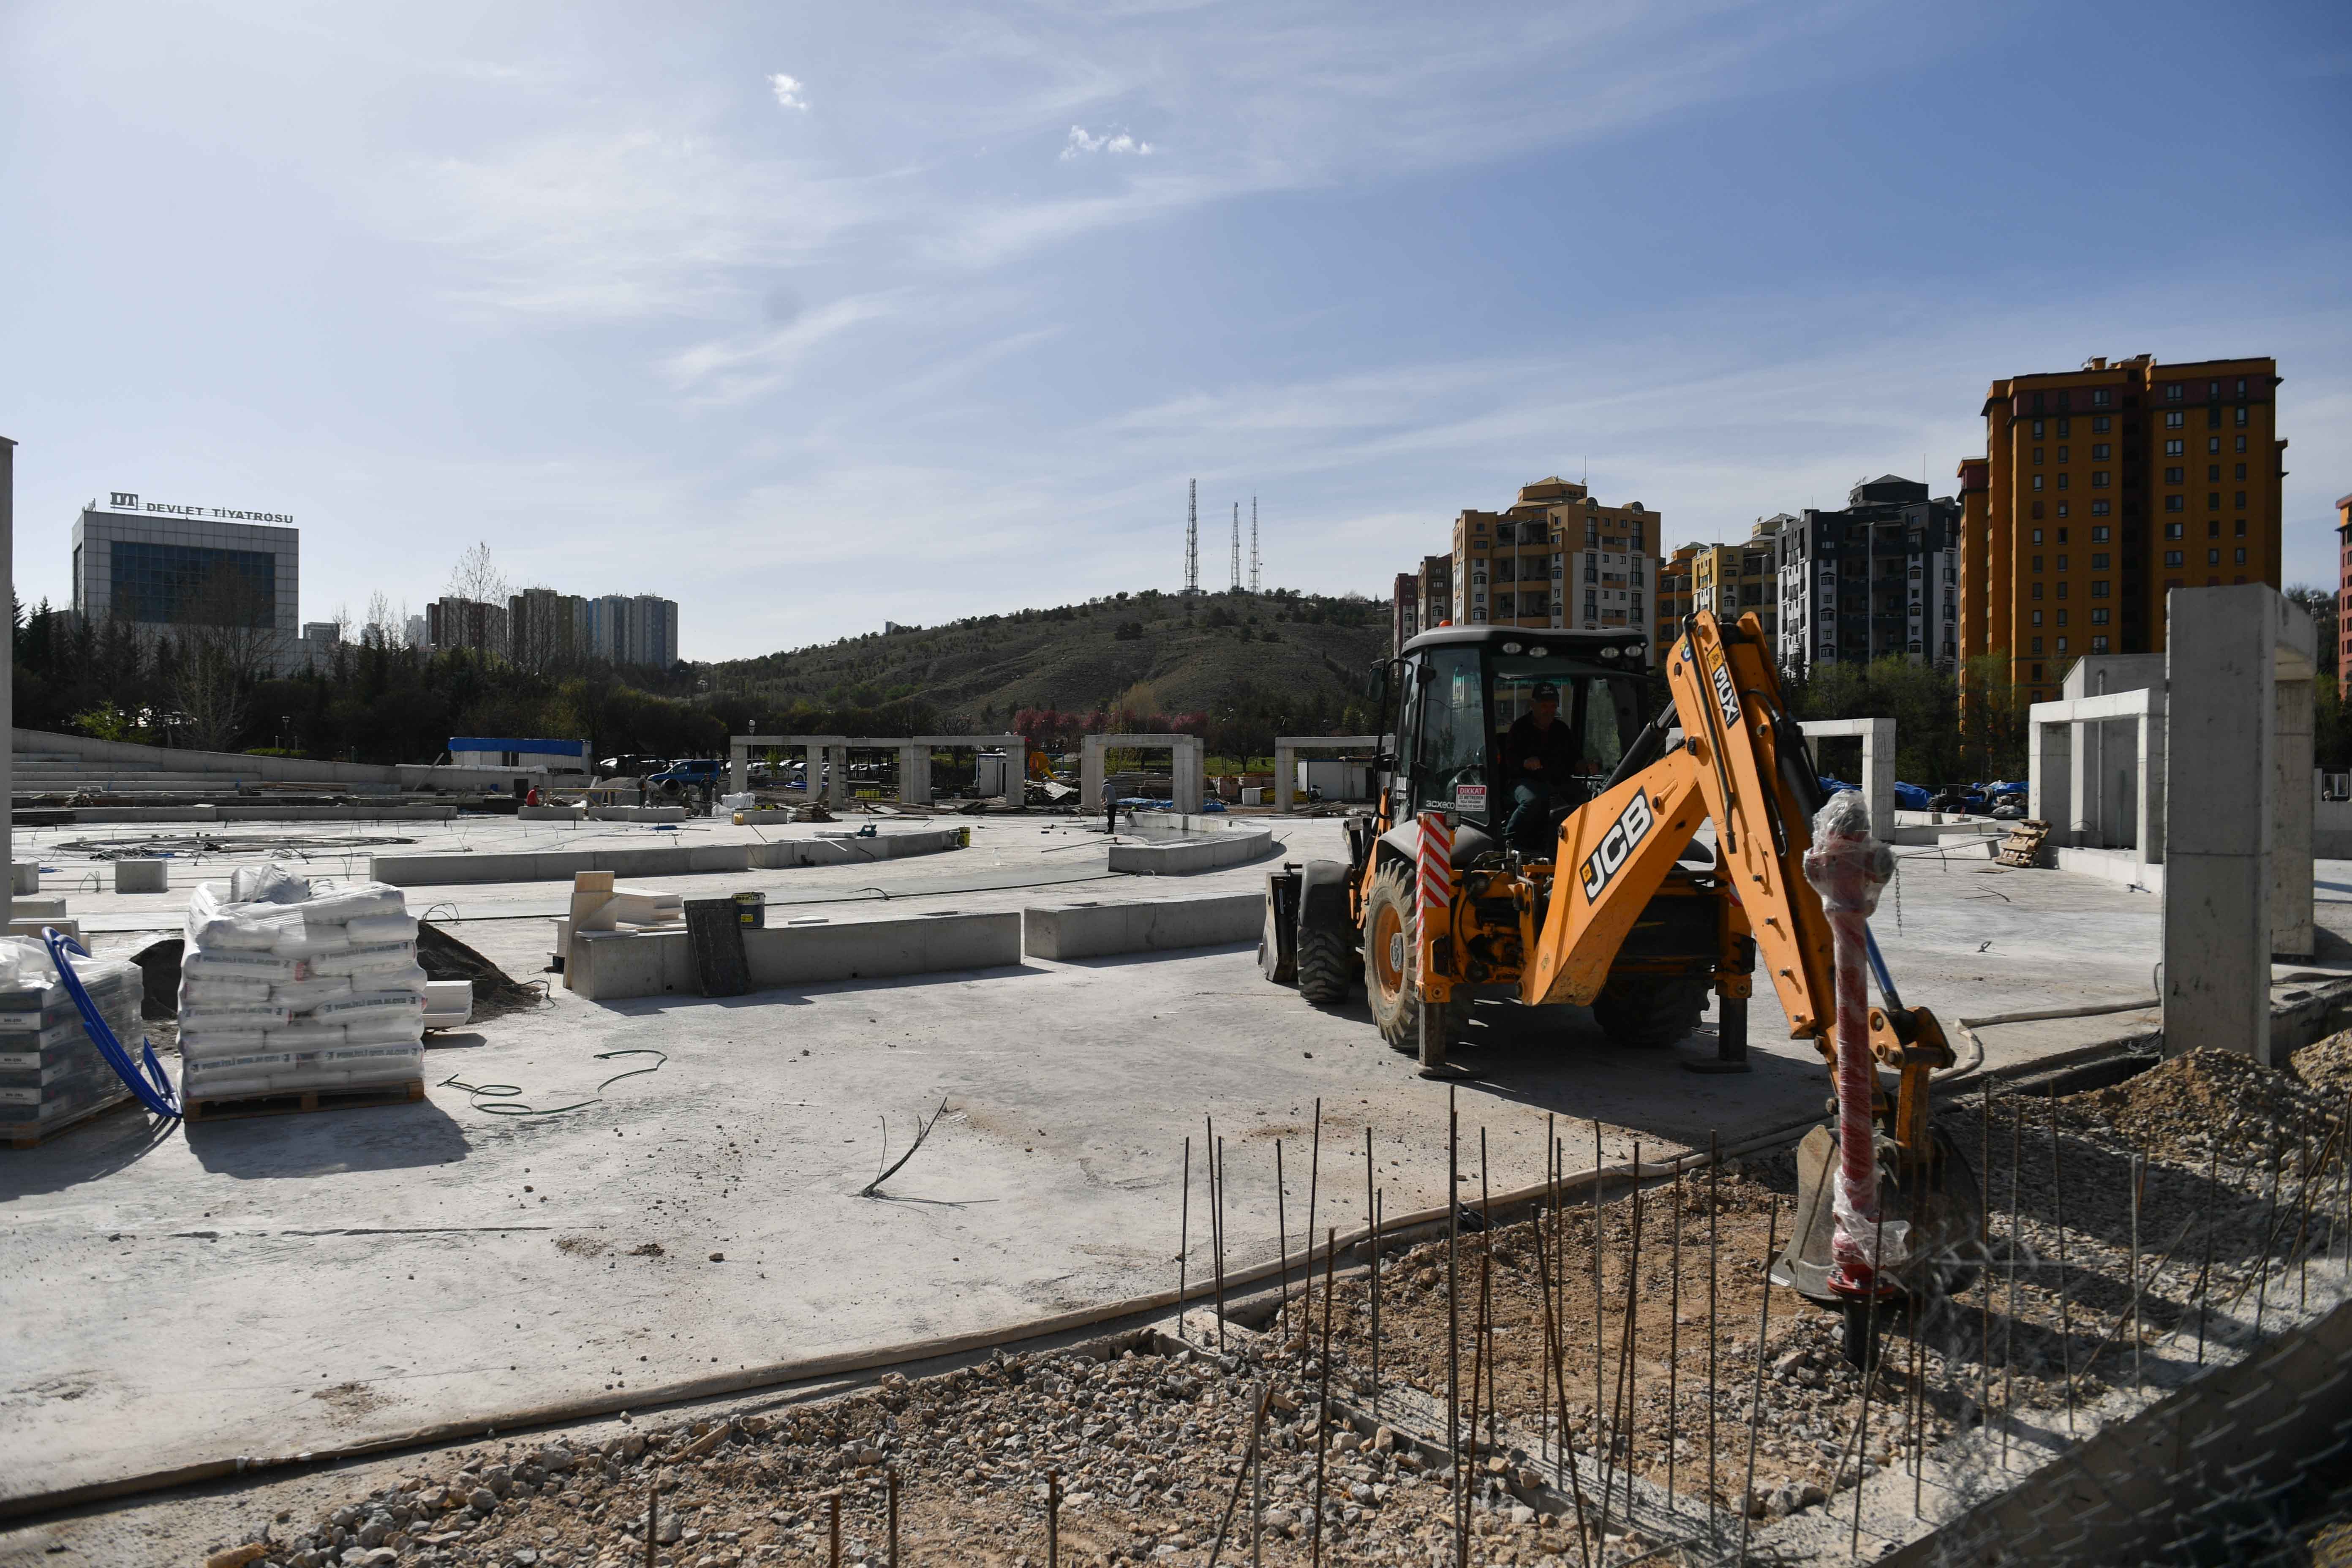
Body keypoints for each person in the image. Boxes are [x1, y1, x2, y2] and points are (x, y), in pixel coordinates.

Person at [1503, 682, 1584, 854]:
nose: (1549, 711)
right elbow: (1509, 763)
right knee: (1532, 801)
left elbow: (1574, 760)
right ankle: (1510, 843)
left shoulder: (1561, 730)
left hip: (1557, 782)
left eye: (1553, 706)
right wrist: (1525, 762)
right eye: (1544, 706)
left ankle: (1580, 846)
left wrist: (1584, 766)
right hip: (1522, 782)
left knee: (1588, 798)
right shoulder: (1520, 729)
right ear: (1533, 705)